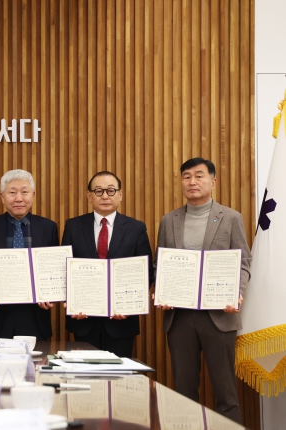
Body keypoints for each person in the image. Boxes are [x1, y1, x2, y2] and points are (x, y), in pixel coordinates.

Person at [156, 157, 251, 423]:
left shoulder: (231, 217)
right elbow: (160, 263)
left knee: (226, 393)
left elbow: (243, 261)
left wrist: (237, 292)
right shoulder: (169, 220)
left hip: (219, 315)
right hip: (179, 317)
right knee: (184, 391)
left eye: (199, 176)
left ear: (213, 181)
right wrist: (160, 290)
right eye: (187, 176)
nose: (192, 181)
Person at [61, 171, 153, 358]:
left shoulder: (136, 228)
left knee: (118, 374)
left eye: (111, 191)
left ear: (120, 195)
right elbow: (64, 270)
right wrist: (71, 302)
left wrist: (130, 306)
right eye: (98, 191)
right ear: (89, 196)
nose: (104, 196)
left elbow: (146, 273)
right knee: (84, 373)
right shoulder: (73, 226)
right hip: (83, 319)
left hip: (122, 321)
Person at [0, 169, 58, 340]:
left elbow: (55, 270)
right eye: (12, 192)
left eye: (24, 192)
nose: (19, 198)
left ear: (33, 195)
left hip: (35, 317)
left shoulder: (48, 227)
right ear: (2, 196)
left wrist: (51, 292)